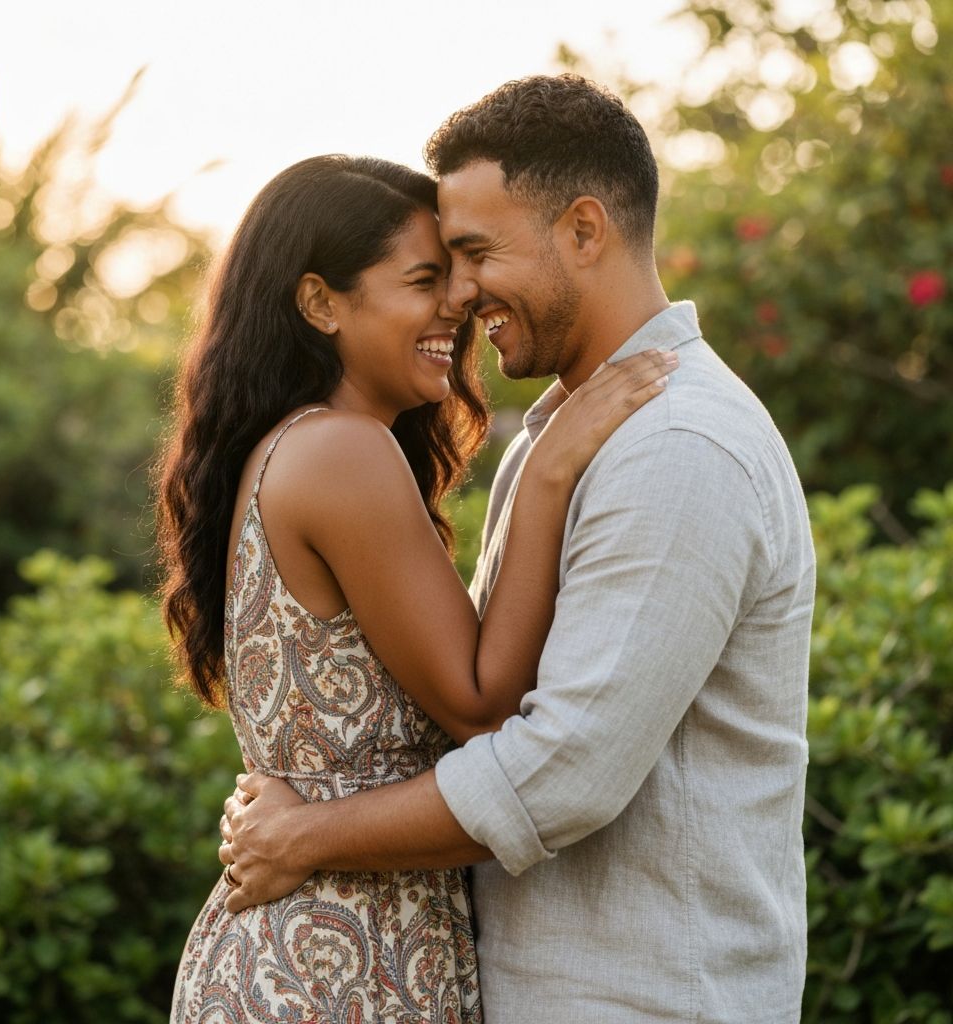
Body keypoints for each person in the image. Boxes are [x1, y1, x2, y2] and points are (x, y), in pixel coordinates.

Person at [218, 75, 816, 1024]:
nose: (460, 292)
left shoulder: (677, 446)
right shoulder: (559, 435)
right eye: (437, 268)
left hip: (644, 999)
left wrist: (306, 835)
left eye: (474, 253)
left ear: (584, 231)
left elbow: (559, 770)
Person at [156, 153, 677, 1023]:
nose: (461, 302)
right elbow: (479, 703)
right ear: (321, 302)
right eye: (426, 278)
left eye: (463, 273)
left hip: (334, 949)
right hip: (326, 969)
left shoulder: (305, 446)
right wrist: (551, 470)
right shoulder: (340, 450)